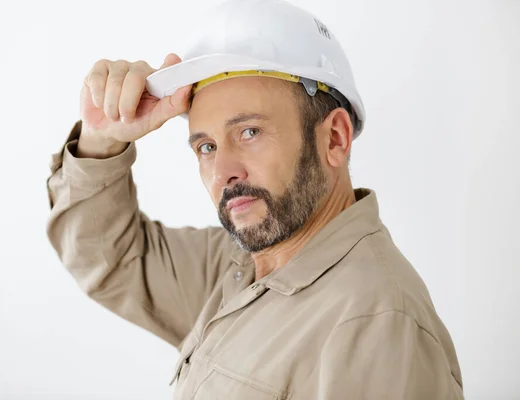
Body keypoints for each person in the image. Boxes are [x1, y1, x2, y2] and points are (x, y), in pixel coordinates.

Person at [46, 0, 463, 398]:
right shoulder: (238, 268)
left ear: (334, 138)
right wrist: (101, 139)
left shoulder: (377, 326)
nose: (223, 172)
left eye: (249, 132)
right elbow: (108, 258)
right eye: (206, 146)